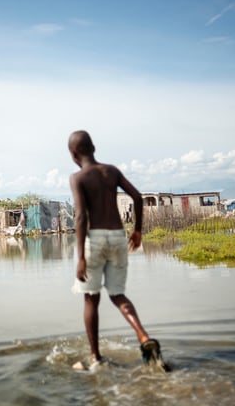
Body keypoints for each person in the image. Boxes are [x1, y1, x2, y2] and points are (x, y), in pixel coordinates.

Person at [67, 130, 170, 372]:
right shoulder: (111, 171)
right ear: (94, 147)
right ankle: (144, 338)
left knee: (91, 298)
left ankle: (95, 357)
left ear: (73, 154)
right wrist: (137, 230)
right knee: (117, 295)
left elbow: (81, 216)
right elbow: (137, 197)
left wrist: (81, 256)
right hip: (117, 237)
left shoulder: (78, 177)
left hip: (95, 239)